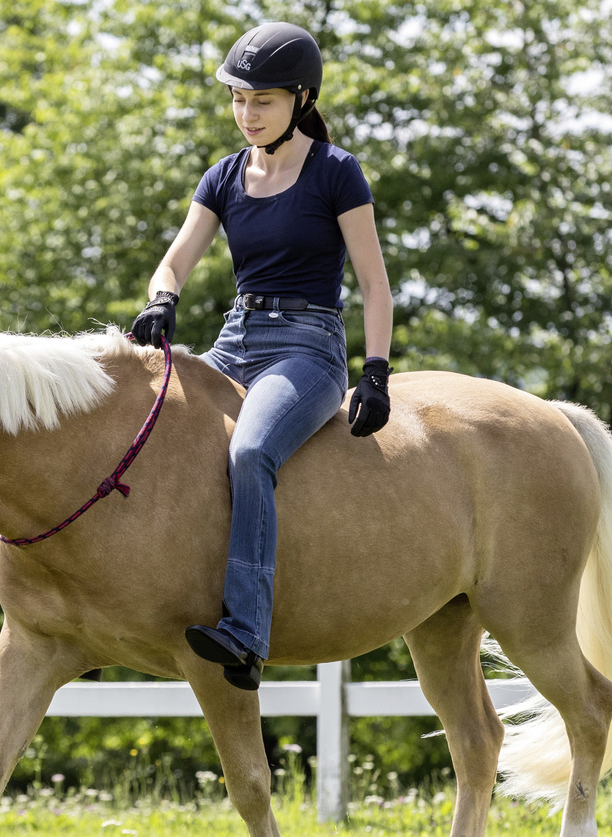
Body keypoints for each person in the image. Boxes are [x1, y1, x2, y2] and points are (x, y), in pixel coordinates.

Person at [131, 21, 394, 691]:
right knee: (143, 427)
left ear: (301, 100)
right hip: (233, 341)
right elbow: (175, 259)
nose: (246, 114)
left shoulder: (336, 172)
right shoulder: (223, 176)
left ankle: (245, 632)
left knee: (250, 453)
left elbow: (372, 283)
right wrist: (163, 299)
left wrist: (375, 371)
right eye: (238, 100)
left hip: (306, 350)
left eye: (262, 101)